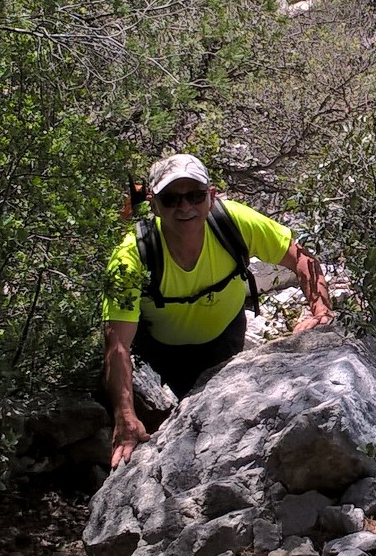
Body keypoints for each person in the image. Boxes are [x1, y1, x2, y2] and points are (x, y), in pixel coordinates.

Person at [101, 154, 334, 468]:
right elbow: (117, 347)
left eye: (195, 196)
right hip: (157, 351)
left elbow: (301, 258)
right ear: (154, 204)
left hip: (224, 337)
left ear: (210, 197)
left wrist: (320, 309)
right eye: (172, 199)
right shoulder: (131, 257)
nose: (185, 207)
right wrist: (125, 416)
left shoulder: (234, 222)